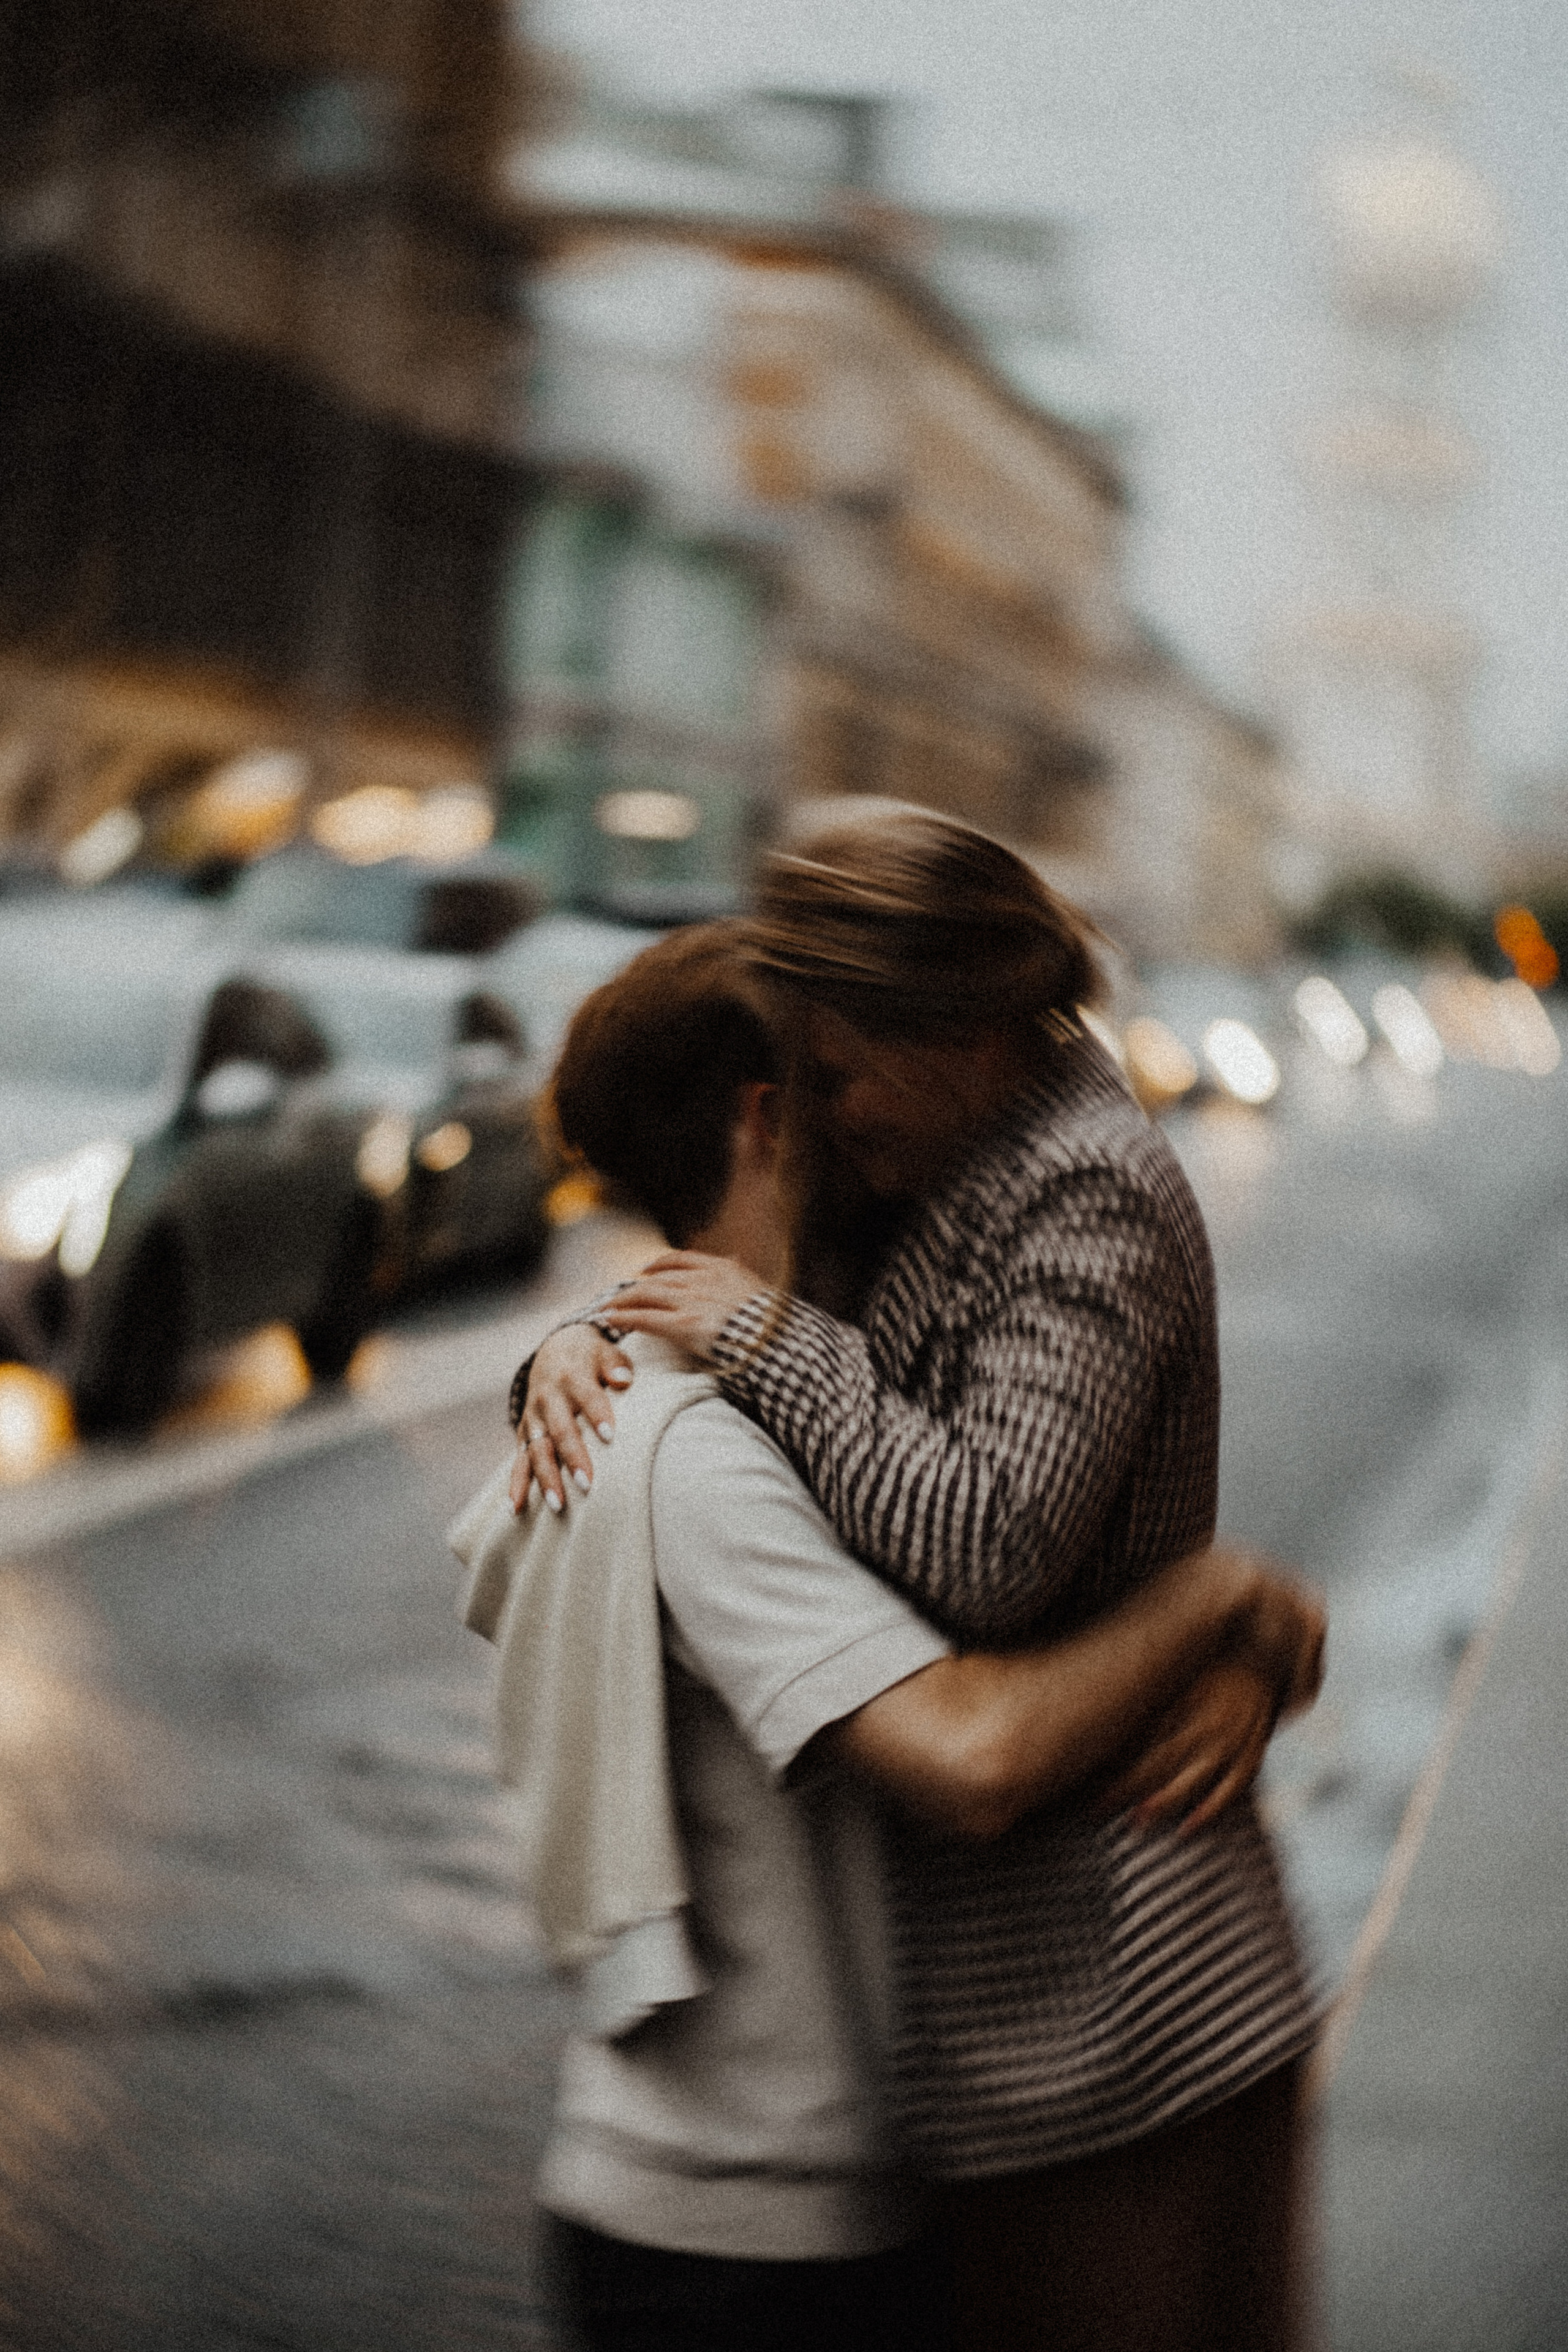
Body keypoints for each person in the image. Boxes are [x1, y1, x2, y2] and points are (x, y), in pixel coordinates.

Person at [516, 815, 1323, 2351]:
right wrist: (579, 1350)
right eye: (798, 1089)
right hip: (1004, 2025)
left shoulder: (1074, 1186)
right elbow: (733, 1314)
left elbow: (987, 1550)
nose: (823, 1115)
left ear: (954, 1025)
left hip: (1115, 1981)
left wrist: (1228, 1606)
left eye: (839, 1073)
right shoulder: (941, 1164)